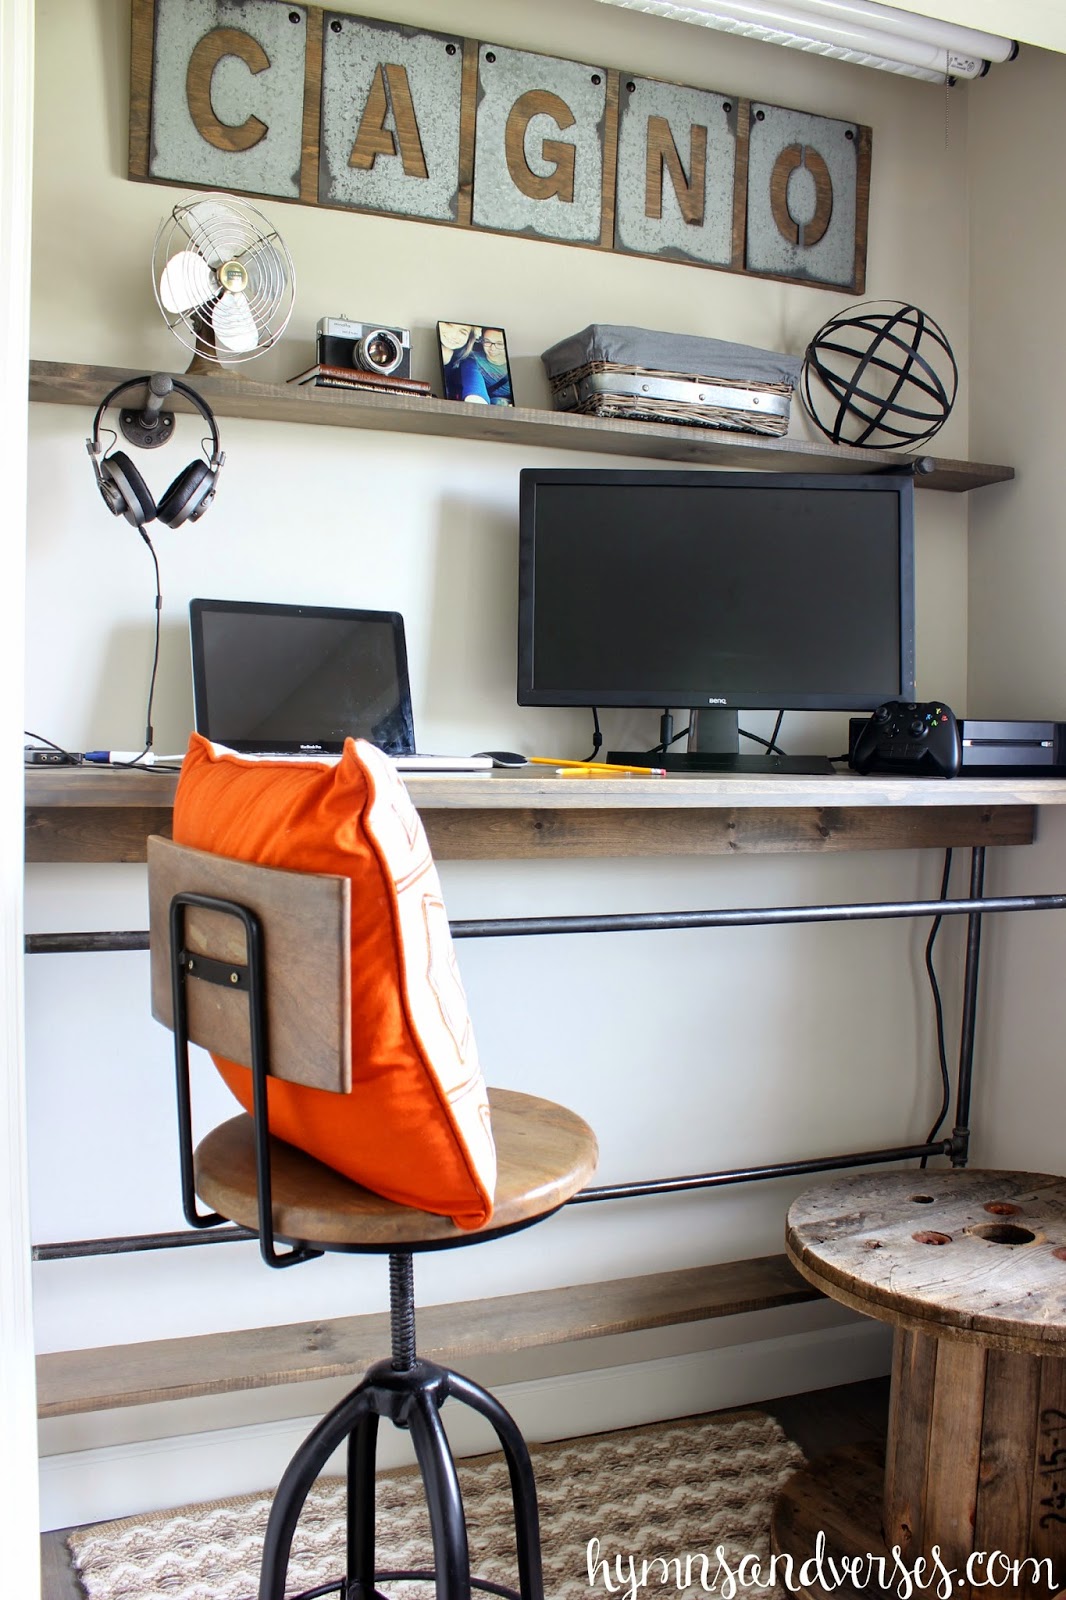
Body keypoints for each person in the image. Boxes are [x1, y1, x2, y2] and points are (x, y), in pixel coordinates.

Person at [458, 328, 513, 405]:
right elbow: (473, 382)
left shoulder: (516, 366)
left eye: (500, 344)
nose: (492, 348)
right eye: (487, 341)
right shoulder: (472, 359)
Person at [438, 322, 476, 400]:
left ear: (469, 338)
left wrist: (475, 397)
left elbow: (473, 378)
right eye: (449, 325)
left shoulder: (467, 359)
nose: (454, 335)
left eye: (463, 332)